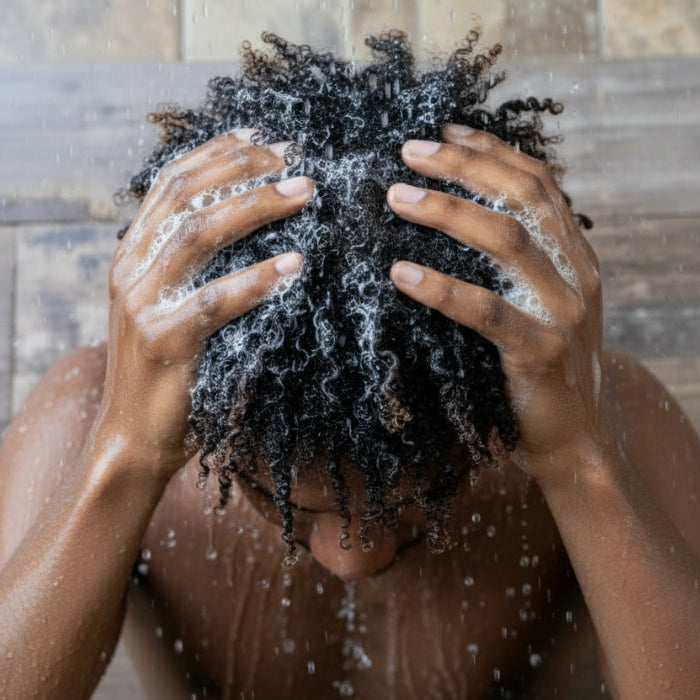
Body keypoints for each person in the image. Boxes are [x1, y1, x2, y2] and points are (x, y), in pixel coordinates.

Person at [1, 31, 699, 700]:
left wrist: (580, 459)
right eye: (292, 509)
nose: (353, 558)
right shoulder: (95, 418)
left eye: (420, 497)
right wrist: (125, 454)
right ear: (207, 413)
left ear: (496, 409)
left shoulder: (607, 427)